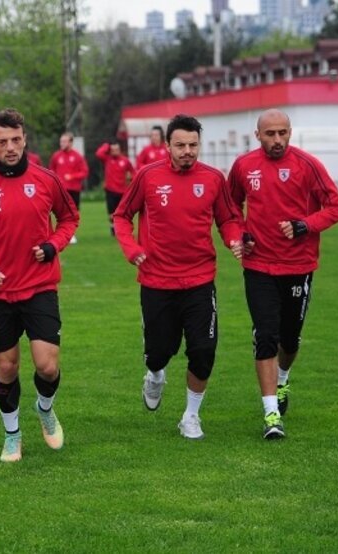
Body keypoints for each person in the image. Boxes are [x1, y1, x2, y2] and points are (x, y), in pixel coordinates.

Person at [0, 108, 79, 462]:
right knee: (6, 367)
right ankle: (12, 435)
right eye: (2, 141)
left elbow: (69, 218)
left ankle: (45, 408)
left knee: (47, 366)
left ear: (25, 139)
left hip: (39, 285)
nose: (10, 147)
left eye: (16, 140)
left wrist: (54, 245)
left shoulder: (46, 179)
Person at [113, 114, 241, 440]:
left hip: (199, 279)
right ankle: (155, 375)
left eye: (193, 145)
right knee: (159, 351)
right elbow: (122, 216)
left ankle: (190, 416)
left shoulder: (213, 178)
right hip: (156, 281)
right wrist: (131, 249)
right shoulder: (147, 176)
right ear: (167, 145)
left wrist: (234, 239)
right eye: (180, 145)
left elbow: (228, 219)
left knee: (203, 350)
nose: (187, 151)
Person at [227, 108, 338, 440]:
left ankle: (282, 378)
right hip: (259, 266)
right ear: (258, 136)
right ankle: (270, 414)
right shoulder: (243, 166)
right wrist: (241, 235)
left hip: (298, 266)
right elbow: (230, 207)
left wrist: (304, 225)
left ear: (290, 132)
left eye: (283, 133)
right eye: (270, 134)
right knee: (265, 335)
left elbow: (337, 207)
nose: (277, 140)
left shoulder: (307, 165)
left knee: (289, 338)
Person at [48, 132, 89, 244]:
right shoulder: (56, 156)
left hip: (74, 189)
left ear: (71, 142)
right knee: (57, 212)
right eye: (61, 141)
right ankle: (57, 233)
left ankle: (71, 234)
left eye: (64, 141)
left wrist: (72, 176)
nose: (62, 143)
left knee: (73, 213)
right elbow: (51, 171)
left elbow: (84, 172)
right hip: (60, 190)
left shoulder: (77, 156)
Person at [95, 138, 134, 236]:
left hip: (122, 191)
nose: (115, 151)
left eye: (117, 149)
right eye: (113, 150)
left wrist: (131, 178)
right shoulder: (107, 159)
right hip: (110, 191)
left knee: (121, 213)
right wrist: (107, 144)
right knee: (111, 213)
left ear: (120, 149)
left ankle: (122, 229)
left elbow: (133, 172)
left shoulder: (125, 161)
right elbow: (98, 154)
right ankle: (113, 229)